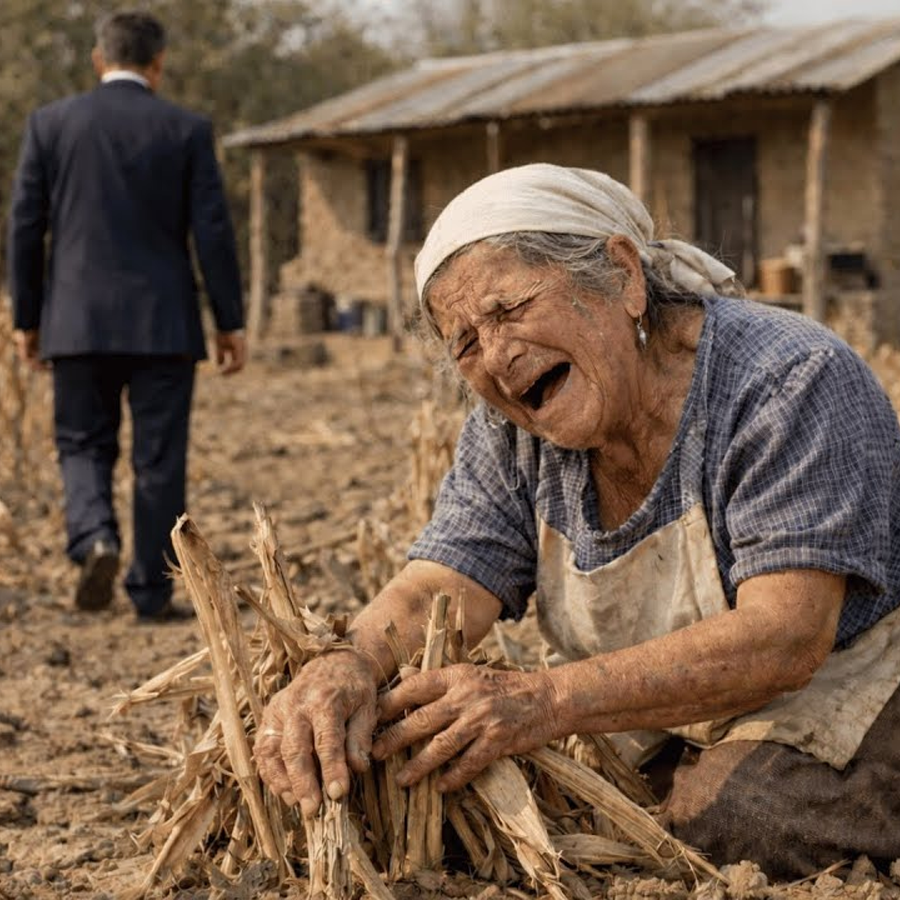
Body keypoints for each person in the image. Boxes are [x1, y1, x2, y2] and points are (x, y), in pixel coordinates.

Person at [253, 164, 900, 877]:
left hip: (851, 682)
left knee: (738, 816)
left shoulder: (785, 379)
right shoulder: (510, 434)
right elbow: (442, 582)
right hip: (679, 716)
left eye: (508, 310)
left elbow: (787, 636)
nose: (496, 357)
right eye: (464, 342)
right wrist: (349, 663)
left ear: (622, 277)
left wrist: (546, 700)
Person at [7, 10, 245, 621]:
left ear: (97, 58)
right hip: (164, 324)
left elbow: (26, 229)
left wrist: (27, 317)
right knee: (158, 458)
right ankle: (150, 590)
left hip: (76, 322)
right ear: (158, 64)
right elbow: (212, 232)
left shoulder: (50, 125)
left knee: (83, 443)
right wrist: (228, 319)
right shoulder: (186, 129)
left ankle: (95, 538)